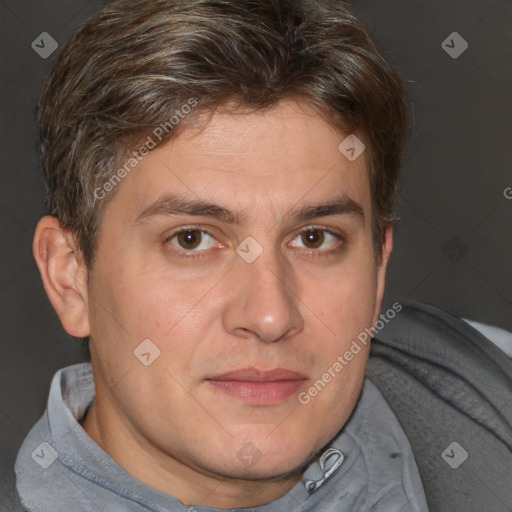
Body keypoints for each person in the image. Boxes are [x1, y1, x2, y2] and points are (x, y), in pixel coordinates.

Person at [14, 0, 498, 510]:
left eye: (314, 238)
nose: (270, 315)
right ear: (70, 277)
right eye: (192, 240)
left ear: (378, 268)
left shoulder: (493, 398)